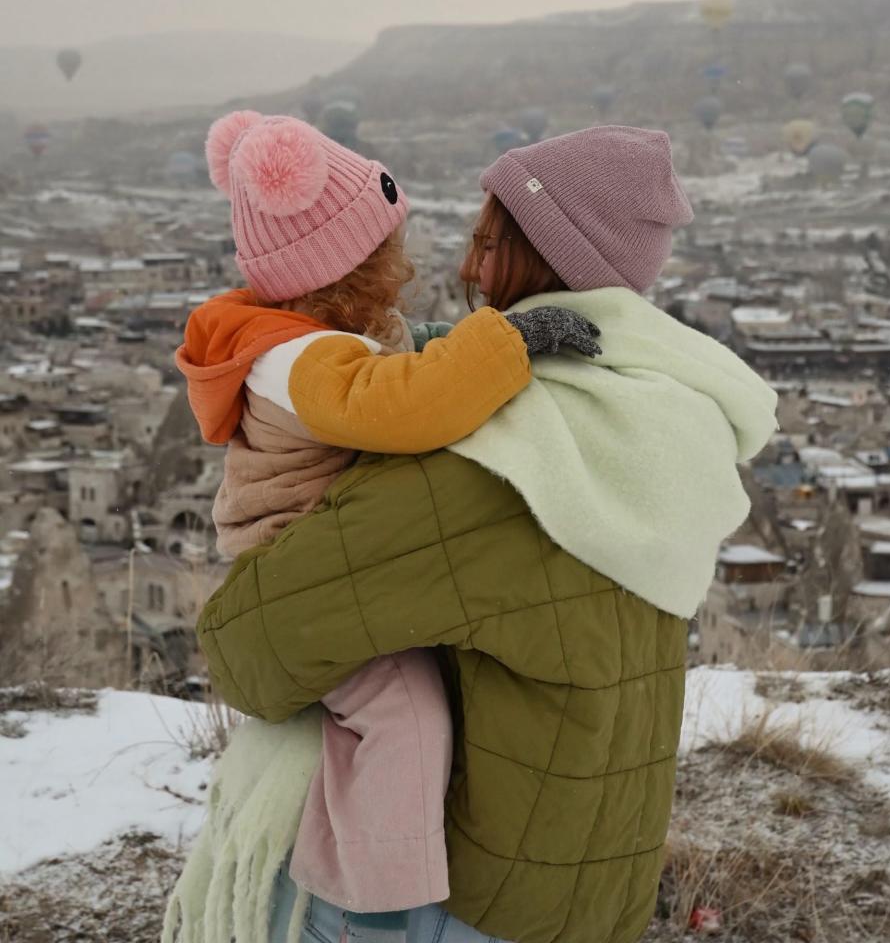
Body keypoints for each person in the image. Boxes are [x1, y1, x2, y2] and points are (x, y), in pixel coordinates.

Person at [167, 125, 777, 943]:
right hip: (599, 879)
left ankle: (367, 912)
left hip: (476, 897)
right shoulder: (664, 413)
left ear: (539, 255)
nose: (463, 267)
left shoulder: (514, 457)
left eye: (488, 241)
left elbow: (249, 648)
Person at [175, 110, 600, 943]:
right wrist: (508, 343)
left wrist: (460, 346)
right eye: (387, 252)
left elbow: (402, 360)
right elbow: (402, 404)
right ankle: (370, 913)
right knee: (404, 715)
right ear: (345, 266)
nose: (404, 269)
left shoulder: (322, 340)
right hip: (298, 565)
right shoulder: (293, 361)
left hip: (337, 556)